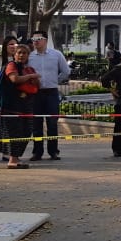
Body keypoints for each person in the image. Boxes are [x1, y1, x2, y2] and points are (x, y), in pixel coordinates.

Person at [28, 30, 70, 161]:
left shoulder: (56, 54)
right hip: (36, 94)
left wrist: (54, 81)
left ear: (45, 40)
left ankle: (53, 151)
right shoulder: (29, 57)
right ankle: (37, 152)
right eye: (33, 39)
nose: (36, 42)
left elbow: (65, 71)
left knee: (52, 123)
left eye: (38, 39)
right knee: (36, 124)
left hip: (51, 92)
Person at [2, 43, 41, 168]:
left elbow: (37, 85)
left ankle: (16, 158)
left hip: (27, 105)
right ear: (14, 54)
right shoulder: (11, 66)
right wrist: (30, 77)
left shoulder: (29, 68)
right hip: (13, 106)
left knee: (27, 131)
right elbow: (14, 79)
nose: (22, 55)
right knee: (16, 132)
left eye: (25, 53)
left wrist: (34, 79)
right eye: (19, 52)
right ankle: (12, 160)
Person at [0, 36, 19, 161]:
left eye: (15, 44)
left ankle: (6, 153)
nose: (13, 46)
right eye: (11, 44)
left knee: (10, 127)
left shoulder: (18, 61)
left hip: (13, 98)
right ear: (5, 46)